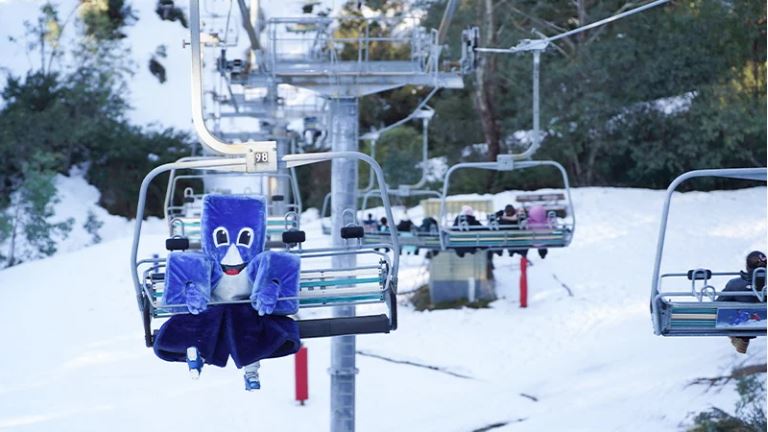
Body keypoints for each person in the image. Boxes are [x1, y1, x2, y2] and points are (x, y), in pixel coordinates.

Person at [719, 251, 766, 354]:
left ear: (747, 266)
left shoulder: (735, 284)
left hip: (746, 323)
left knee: (734, 310)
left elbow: (719, 303)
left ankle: (741, 338)